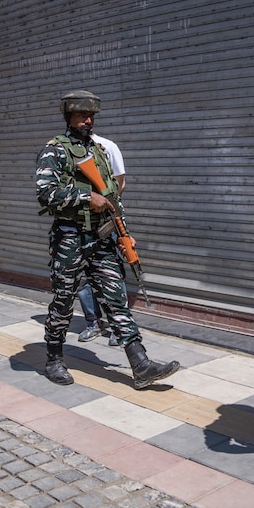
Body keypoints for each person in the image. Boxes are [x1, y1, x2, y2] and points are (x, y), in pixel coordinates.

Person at [35, 89, 179, 389]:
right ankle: (54, 358)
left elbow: (113, 197)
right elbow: (46, 194)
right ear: (68, 117)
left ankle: (140, 364)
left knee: (116, 299)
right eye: (81, 115)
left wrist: (124, 231)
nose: (88, 120)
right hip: (70, 239)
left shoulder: (99, 151)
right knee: (63, 300)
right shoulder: (55, 150)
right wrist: (87, 198)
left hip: (102, 238)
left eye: (91, 116)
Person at [78, 131, 126, 346]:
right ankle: (93, 322)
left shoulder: (107, 146)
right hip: (78, 224)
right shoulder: (64, 151)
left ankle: (119, 326)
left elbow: (120, 183)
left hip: (105, 220)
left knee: (113, 272)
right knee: (82, 276)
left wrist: (104, 205)